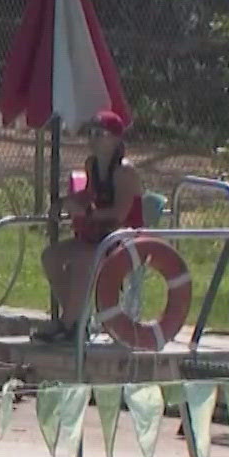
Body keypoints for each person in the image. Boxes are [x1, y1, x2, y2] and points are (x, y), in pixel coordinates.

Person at [32, 110, 145, 343]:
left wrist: (87, 213)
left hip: (125, 239)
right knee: (51, 256)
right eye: (90, 133)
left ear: (116, 139)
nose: (93, 139)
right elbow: (90, 195)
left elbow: (120, 214)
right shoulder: (92, 164)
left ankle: (67, 325)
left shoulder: (124, 172)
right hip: (99, 236)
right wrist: (63, 203)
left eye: (99, 134)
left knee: (83, 258)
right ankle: (74, 322)